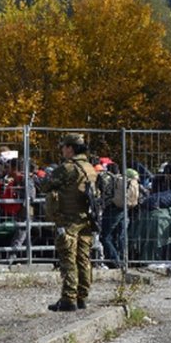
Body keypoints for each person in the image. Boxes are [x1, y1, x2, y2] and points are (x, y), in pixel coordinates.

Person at [41, 133, 98, 312]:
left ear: (70, 148)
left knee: (68, 259)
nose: (62, 150)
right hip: (86, 219)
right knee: (83, 258)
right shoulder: (89, 167)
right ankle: (82, 296)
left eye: (64, 147)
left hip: (68, 220)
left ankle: (68, 298)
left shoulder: (67, 168)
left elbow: (45, 185)